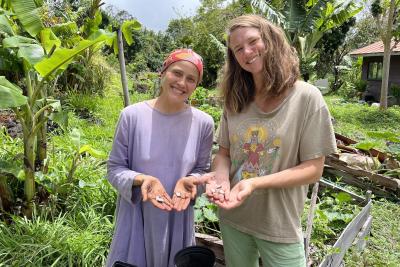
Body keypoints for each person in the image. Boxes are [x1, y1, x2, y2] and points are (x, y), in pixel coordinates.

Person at [205, 15, 337, 267]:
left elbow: (313, 169)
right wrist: (221, 180)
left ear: (270, 39)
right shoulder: (235, 98)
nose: (247, 52)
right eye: (238, 49)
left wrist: (254, 184)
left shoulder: (307, 97)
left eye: (253, 42)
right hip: (233, 217)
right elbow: (223, 154)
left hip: (279, 224)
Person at [106, 49, 214, 267]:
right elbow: (115, 168)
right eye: (177, 73)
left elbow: (203, 170)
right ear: (163, 73)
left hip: (178, 219)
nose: (182, 82)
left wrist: (190, 182)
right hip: (137, 219)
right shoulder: (132, 115)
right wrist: (144, 180)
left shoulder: (204, 123)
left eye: (191, 79)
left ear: (196, 85)